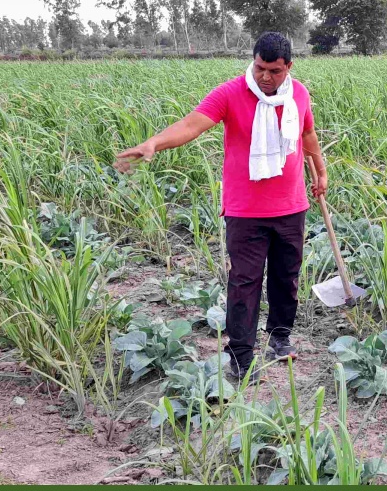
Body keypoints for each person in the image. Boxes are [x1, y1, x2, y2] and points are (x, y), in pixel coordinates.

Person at [114, 32, 327, 382]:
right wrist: (155, 142)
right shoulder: (231, 93)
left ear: (288, 67)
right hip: (246, 211)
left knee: (287, 277)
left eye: (274, 70)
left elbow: (307, 135)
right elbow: (191, 124)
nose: (264, 77)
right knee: (244, 283)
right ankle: (241, 357)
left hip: (292, 205)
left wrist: (321, 171)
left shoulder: (299, 94)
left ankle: (279, 337)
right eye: (259, 67)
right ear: (253, 61)